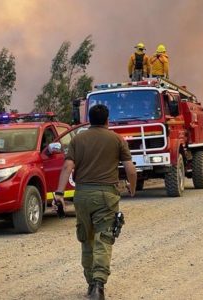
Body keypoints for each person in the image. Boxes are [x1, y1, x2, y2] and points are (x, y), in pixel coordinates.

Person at [54, 104, 137, 300]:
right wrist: (132, 189)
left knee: (86, 239)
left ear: (89, 119)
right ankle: (98, 285)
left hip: (82, 195)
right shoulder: (117, 139)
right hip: (106, 196)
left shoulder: (78, 139)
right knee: (104, 238)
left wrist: (59, 193)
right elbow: (131, 170)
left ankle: (90, 282)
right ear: (107, 120)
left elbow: (67, 166)